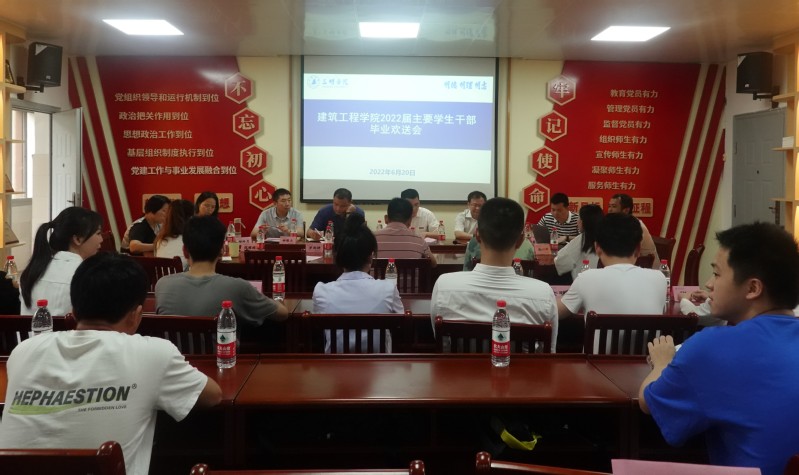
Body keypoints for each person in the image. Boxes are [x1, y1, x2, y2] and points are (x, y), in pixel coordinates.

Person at [0, 253, 222, 475]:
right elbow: (213, 395)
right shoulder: (153, 353)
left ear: (74, 311)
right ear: (136, 315)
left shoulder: (23, 352)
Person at [639, 222, 799, 475]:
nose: (709, 284)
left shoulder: (713, 346)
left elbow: (648, 402)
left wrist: (661, 362)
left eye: (716, 274)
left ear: (753, 288)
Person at [431, 198, 558, 351]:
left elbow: (443, 348)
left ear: (477, 236)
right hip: (521, 368)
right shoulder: (543, 294)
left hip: (459, 367)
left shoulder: (444, 286)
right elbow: (548, 354)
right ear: (520, 240)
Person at [155, 216, 288, 328]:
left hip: (171, 352)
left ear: (185, 251)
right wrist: (279, 300)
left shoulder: (162, 285)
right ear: (222, 251)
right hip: (220, 353)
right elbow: (282, 314)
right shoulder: (237, 287)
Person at [313, 213, 403, 352]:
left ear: (337, 257)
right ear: (371, 256)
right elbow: (401, 322)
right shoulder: (388, 289)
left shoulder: (321, 291)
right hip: (379, 364)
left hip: (334, 364)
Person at [557, 212, 667, 319]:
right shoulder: (660, 279)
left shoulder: (586, 278)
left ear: (597, 248)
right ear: (638, 249)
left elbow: (555, 312)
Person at [19, 206, 104, 316]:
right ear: (77, 239)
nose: (101, 239)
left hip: (31, 328)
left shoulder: (32, 271)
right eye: (98, 233)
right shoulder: (86, 276)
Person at [374, 198, 436, 265]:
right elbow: (433, 263)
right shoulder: (419, 240)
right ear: (410, 221)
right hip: (411, 272)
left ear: (386, 219)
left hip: (380, 272)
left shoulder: (372, 238)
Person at [607, 193, 659, 266]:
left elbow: (625, 254)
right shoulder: (618, 224)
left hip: (646, 268)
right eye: (609, 206)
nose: (610, 210)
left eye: (614, 206)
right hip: (630, 265)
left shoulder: (635, 226)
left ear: (626, 210)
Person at [554, 204, 603, 280]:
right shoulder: (606, 237)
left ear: (583, 222)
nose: (577, 221)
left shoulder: (582, 239)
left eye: (579, 218)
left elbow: (560, 261)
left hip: (583, 283)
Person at [154, 199, 195, 270]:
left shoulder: (159, 240)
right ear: (190, 218)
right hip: (181, 276)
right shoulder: (189, 240)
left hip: (161, 277)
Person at [462, 234, 534, 271]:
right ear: (521, 239)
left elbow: (466, 273)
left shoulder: (473, 243)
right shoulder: (527, 245)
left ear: (477, 234)